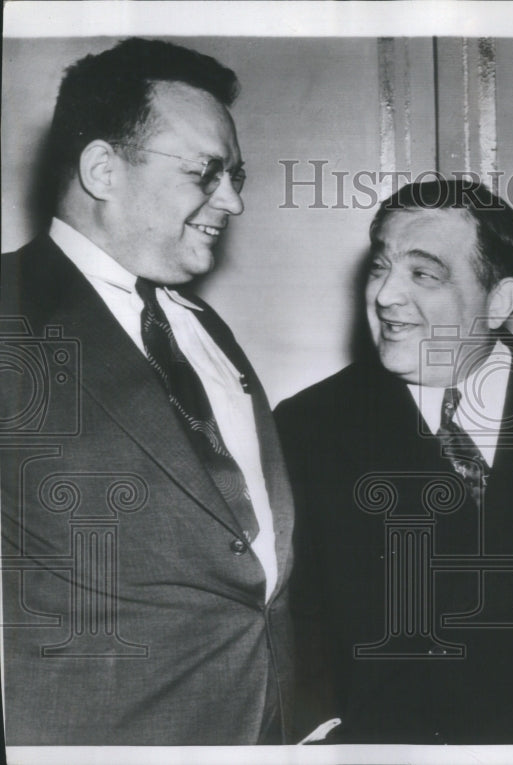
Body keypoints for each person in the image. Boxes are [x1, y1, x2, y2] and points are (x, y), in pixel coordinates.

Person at [275, 179, 513, 743]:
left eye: (423, 274)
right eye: (381, 267)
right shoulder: (308, 426)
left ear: (498, 301)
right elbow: (292, 619)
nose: (385, 296)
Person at [0, 38, 295, 744]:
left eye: (237, 174)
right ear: (104, 168)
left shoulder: (203, 328)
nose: (235, 200)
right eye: (207, 173)